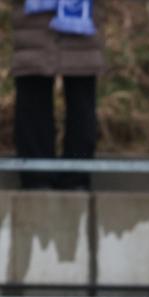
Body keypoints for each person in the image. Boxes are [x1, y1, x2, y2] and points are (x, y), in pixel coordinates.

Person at [12, 0, 103, 190]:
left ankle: (75, 178)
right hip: (32, 24)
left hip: (82, 21)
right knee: (33, 96)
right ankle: (37, 178)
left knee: (81, 101)